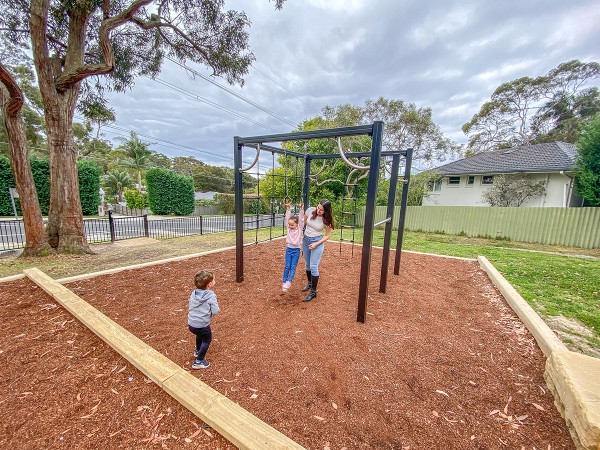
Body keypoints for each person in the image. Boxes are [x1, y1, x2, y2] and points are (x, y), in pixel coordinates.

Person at [301, 199, 335, 302]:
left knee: (313, 266)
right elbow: (302, 223)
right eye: (318, 207)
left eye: (321, 210)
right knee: (307, 264)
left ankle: (313, 292)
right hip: (306, 240)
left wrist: (316, 244)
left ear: (326, 211)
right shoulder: (310, 210)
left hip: (317, 242)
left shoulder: (326, 220)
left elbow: (327, 235)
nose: (318, 210)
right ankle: (310, 283)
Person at [188, 270, 220, 369]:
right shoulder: (211, 295)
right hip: (202, 325)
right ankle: (199, 361)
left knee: (199, 335)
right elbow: (215, 310)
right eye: (214, 279)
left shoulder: (194, 293)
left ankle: (198, 350)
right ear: (209, 284)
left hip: (191, 324)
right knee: (207, 339)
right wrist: (210, 313)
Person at [281, 201, 304, 292]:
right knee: (287, 266)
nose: (290, 226)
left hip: (296, 250)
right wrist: (288, 208)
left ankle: (289, 282)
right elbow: (287, 218)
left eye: (292, 225)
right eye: (289, 225)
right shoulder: (288, 228)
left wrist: (301, 209)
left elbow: (301, 219)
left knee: (293, 267)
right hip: (289, 249)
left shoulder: (300, 228)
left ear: (297, 224)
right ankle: (284, 281)